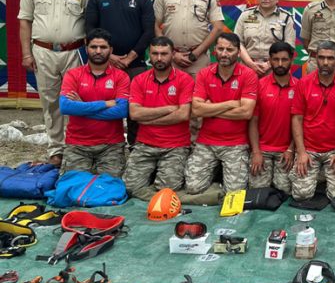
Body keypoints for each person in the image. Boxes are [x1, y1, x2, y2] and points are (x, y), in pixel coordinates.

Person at [18, 0, 93, 167]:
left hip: (75, 52)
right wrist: (26, 54)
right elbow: (24, 21)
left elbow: (91, 22)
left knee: (77, 101)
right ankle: (56, 150)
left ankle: (77, 148)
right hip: (43, 51)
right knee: (50, 102)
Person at [85, 0, 155, 146]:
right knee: (105, 107)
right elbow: (90, 29)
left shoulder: (143, 0)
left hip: (136, 65)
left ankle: (134, 149)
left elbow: (149, 32)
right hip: (104, 65)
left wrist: (130, 57)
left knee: (135, 110)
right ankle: (105, 148)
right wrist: (111, 57)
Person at [185, 33, 258, 196]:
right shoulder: (204, 74)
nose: (224, 53)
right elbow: (196, 110)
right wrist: (231, 104)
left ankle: (223, 189)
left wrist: (210, 108)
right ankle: (218, 191)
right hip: (206, 142)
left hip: (236, 144)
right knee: (192, 188)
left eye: (229, 50)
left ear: (238, 53)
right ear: (215, 51)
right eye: (221, 49)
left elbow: (246, 112)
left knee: (235, 193)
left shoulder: (248, 75)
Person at [122, 36, 194, 201]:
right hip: (145, 144)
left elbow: (183, 114)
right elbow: (135, 114)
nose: (159, 58)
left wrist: (149, 119)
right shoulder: (139, 80)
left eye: (164, 53)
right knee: (129, 188)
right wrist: (169, 109)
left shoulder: (185, 79)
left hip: (175, 146)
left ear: (172, 54)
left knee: (167, 190)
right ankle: (152, 194)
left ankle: (156, 193)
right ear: (149, 54)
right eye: (155, 53)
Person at [58, 29, 129, 177]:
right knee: (74, 189)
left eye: (103, 47)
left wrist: (81, 107)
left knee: (108, 189)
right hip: (78, 145)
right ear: (86, 49)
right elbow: (65, 107)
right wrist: (104, 103)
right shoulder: (73, 74)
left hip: (111, 146)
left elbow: (122, 111)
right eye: (93, 47)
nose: (98, 51)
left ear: (111, 50)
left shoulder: (121, 77)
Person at [290, 41, 335, 202]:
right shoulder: (303, 83)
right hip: (309, 149)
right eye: (321, 58)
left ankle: (329, 180)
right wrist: (301, 152)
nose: (325, 62)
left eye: (330, 58)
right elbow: (297, 119)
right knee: (300, 196)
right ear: (315, 58)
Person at [153, 0, 224, 76]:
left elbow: (218, 27)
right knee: (169, 94)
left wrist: (195, 54)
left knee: (198, 95)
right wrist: (173, 54)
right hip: (170, 58)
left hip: (199, 59)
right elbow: (155, 25)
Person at [248, 41, 298, 193]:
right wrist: (256, 152)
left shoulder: (300, 87)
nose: (280, 64)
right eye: (275, 60)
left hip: (286, 152)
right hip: (262, 150)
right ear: (269, 61)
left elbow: (302, 124)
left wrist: (291, 150)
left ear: (292, 60)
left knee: (284, 190)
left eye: (284, 59)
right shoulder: (259, 85)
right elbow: (253, 122)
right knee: (257, 190)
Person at [235, 0, 295, 76]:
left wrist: (269, 64)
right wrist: (251, 64)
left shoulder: (286, 18)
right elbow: (237, 43)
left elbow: (289, 46)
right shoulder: (245, 15)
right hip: (248, 67)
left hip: (275, 68)